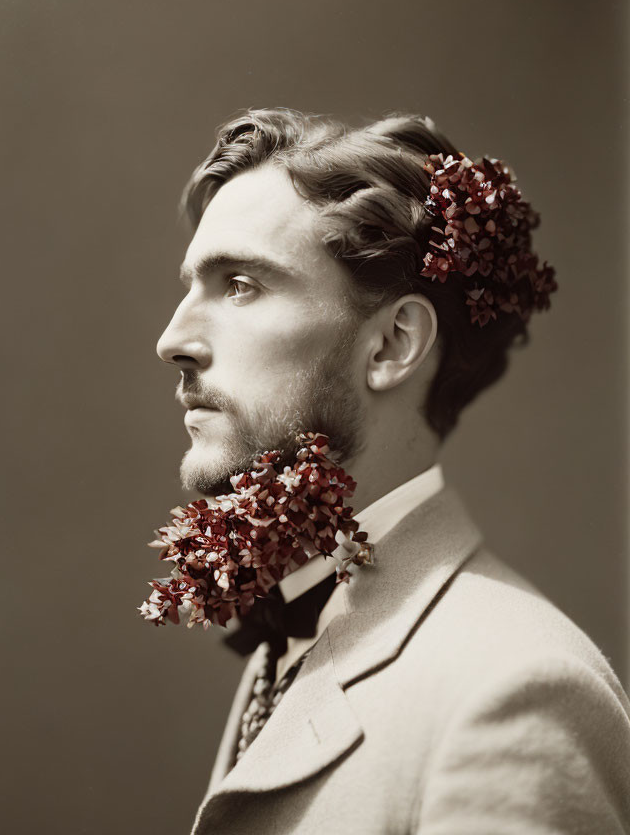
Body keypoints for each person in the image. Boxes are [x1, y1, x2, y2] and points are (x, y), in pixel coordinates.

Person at [153, 107, 630, 834]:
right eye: (190, 286)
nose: (173, 340)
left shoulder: (514, 690)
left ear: (392, 345)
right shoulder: (303, 625)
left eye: (241, 284)